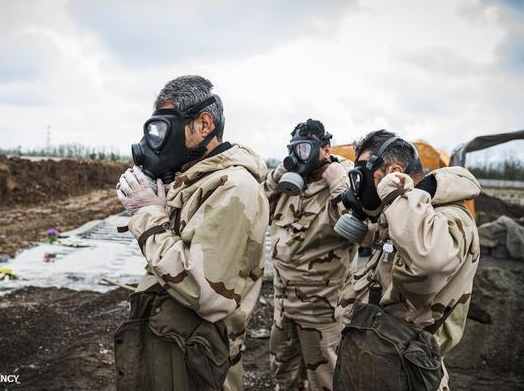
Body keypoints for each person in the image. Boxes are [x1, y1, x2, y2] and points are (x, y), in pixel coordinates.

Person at [115, 75, 269, 391]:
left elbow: (205, 293)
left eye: (162, 129)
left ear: (203, 125)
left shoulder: (233, 188)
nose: (154, 143)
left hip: (199, 365)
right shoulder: (195, 181)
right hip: (173, 346)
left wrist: (147, 213)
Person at [333, 130, 481, 391]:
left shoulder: (449, 217)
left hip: (411, 368)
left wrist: (393, 193)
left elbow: (426, 262)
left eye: (365, 176)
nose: (362, 184)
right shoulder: (405, 212)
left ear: (395, 171)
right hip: (375, 354)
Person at [263, 119, 358, 391]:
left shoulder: (345, 183)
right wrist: (276, 176)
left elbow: (359, 227)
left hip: (322, 309)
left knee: (326, 378)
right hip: (283, 302)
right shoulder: (290, 184)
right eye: (294, 149)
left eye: (304, 149)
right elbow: (253, 209)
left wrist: (338, 182)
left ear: (325, 150)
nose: (298, 156)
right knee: (283, 371)